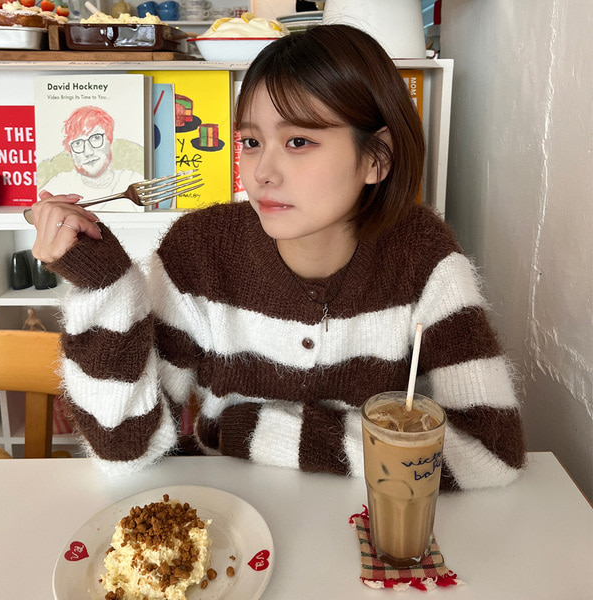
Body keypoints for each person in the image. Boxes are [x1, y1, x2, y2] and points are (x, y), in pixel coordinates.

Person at [30, 25, 526, 490]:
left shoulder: (423, 254)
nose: (262, 172)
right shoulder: (200, 252)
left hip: (364, 525)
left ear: (377, 158)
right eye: (251, 142)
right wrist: (103, 283)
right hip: (233, 520)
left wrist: (251, 430)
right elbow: (124, 449)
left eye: (298, 141)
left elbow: (490, 450)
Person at [40, 106, 143, 212]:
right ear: (70, 152)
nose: (88, 152)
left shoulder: (133, 181)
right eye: (78, 143)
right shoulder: (58, 185)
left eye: (96, 138)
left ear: (109, 140)